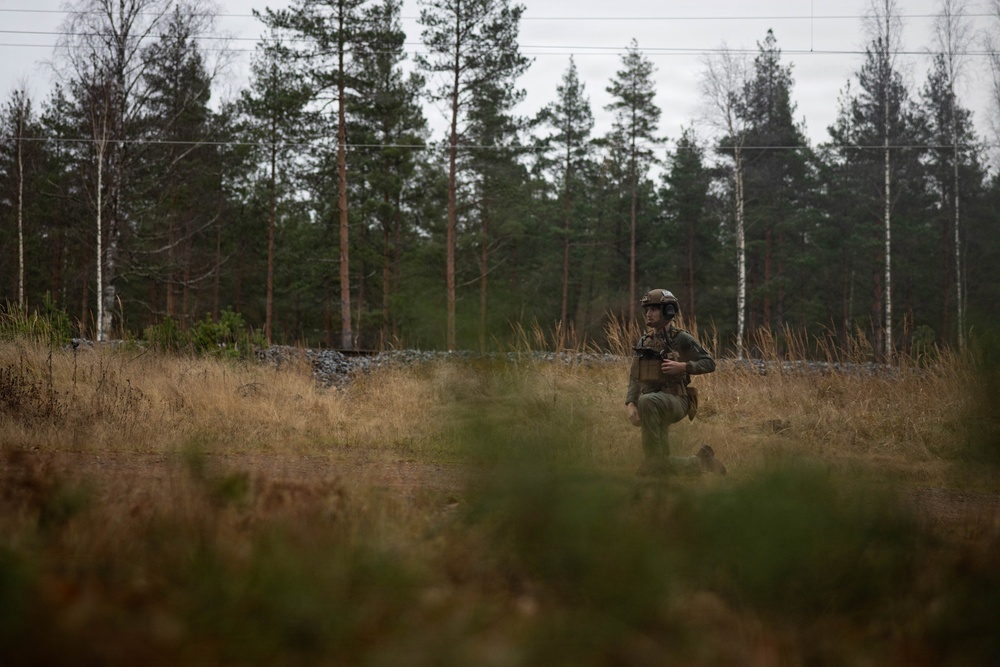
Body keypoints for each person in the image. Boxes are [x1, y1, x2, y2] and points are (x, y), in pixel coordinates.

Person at [625, 289, 726, 476]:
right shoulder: (644, 340)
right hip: (653, 403)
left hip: (676, 400)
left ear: (669, 311)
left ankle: (653, 465)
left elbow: (710, 363)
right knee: (660, 462)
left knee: (646, 401)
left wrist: (683, 366)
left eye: (654, 309)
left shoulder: (681, 338)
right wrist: (630, 403)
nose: (648, 313)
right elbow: (634, 376)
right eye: (647, 309)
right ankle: (700, 463)